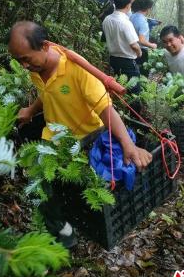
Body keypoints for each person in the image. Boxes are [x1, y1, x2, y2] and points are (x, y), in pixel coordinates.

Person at [8, 21, 152, 246]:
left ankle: (64, 230)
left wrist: (128, 145)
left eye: (26, 58)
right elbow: (47, 93)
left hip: (87, 138)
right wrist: (31, 110)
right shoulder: (37, 68)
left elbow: (106, 110)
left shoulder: (78, 71)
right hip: (55, 137)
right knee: (43, 183)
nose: (24, 65)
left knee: (56, 184)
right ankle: (63, 230)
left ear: (44, 46)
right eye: (19, 61)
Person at [102, 0, 142, 81]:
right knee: (133, 89)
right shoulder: (125, 23)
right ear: (128, 5)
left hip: (113, 59)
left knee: (119, 85)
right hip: (126, 62)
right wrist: (139, 53)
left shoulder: (107, 19)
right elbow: (134, 45)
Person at [130, 0, 158, 73]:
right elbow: (141, 40)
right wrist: (152, 45)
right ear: (148, 9)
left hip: (131, 46)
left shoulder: (132, 16)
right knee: (143, 72)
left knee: (133, 69)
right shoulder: (143, 22)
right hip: (141, 51)